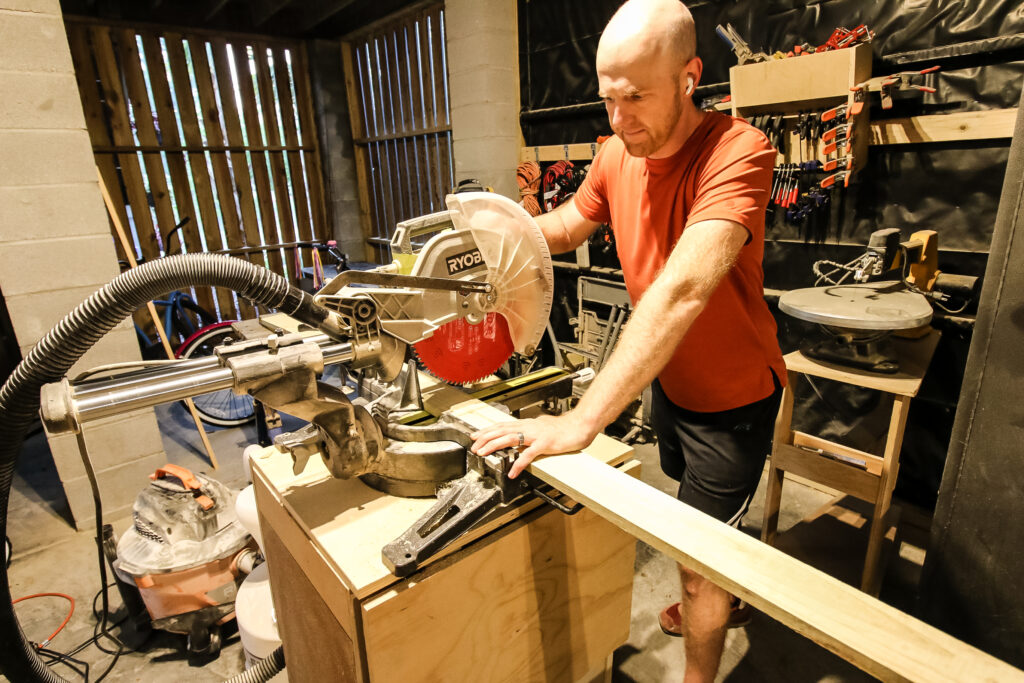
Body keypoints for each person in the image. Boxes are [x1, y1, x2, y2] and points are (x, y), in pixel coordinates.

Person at [470, 0, 786, 680]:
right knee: (689, 523)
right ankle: (713, 571)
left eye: (636, 98)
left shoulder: (740, 152)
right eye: (608, 99)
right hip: (668, 381)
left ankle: (706, 634)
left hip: (733, 404)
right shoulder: (617, 152)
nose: (618, 120)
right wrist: (484, 237)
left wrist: (584, 420)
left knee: (702, 572)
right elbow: (562, 227)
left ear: (690, 75)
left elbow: (682, 291)